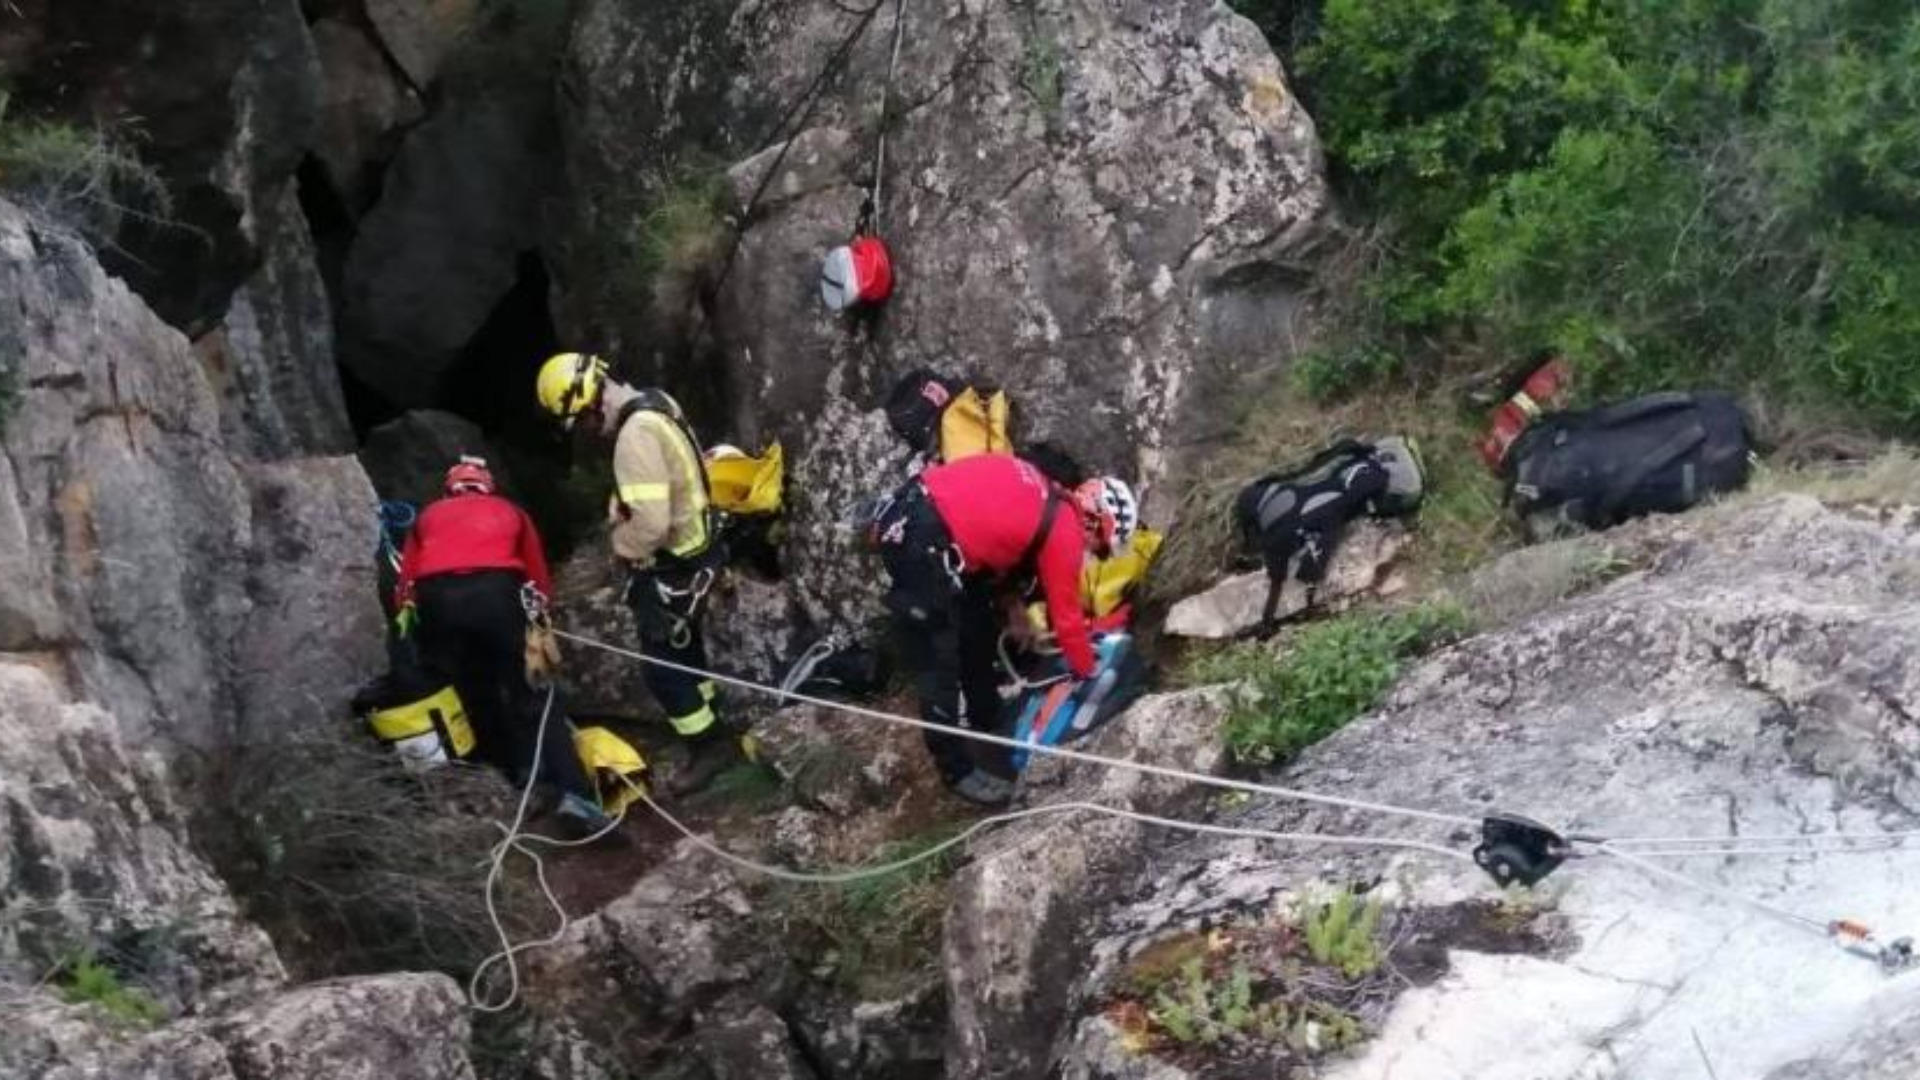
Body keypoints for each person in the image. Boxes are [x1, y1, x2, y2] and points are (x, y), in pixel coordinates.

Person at [870, 453, 1137, 805]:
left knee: (976, 627)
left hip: (921, 519)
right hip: (922, 539)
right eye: (1100, 547)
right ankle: (957, 771)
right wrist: (1089, 672)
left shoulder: (1043, 491)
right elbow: (1067, 620)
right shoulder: (1065, 531)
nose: (1093, 553)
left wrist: (1013, 607)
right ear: (1095, 524)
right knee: (939, 660)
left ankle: (988, 717)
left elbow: (994, 539)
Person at [535, 351, 744, 796]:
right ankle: (714, 724)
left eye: (585, 424)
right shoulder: (656, 401)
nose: (592, 434)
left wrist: (619, 545)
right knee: (687, 654)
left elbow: (651, 524)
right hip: (701, 547)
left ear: (591, 404)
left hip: (673, 562)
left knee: (664, 669)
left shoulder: (633, 437)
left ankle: (707, 746)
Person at [394, 457, 607, 827]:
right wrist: (541, 618)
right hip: (497, 595)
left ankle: (510, 778)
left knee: (475, 692)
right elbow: (537, 576)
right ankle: (574, 794)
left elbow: (406, 586)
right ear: (487, 486)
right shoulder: (510, 512)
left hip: (437, 601)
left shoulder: (427, 517)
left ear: (450, 489)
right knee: (534, 693)